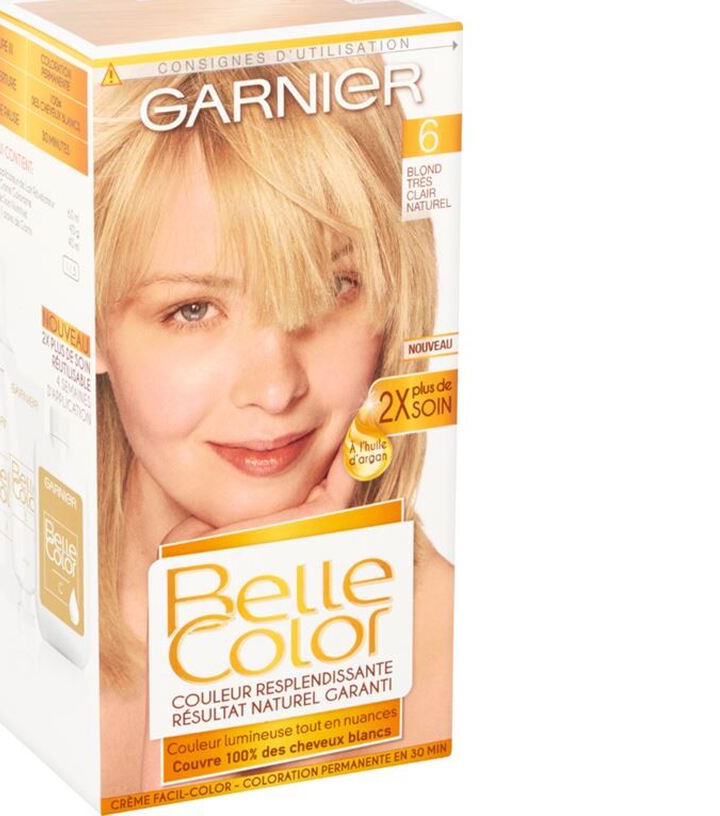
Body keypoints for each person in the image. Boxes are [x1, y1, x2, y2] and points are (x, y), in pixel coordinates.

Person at [92, 57, 453, 794]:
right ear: (89, 322)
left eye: (331, 288)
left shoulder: (453, 651)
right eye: (193, 309)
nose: (276, 387)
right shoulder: (20, 622)